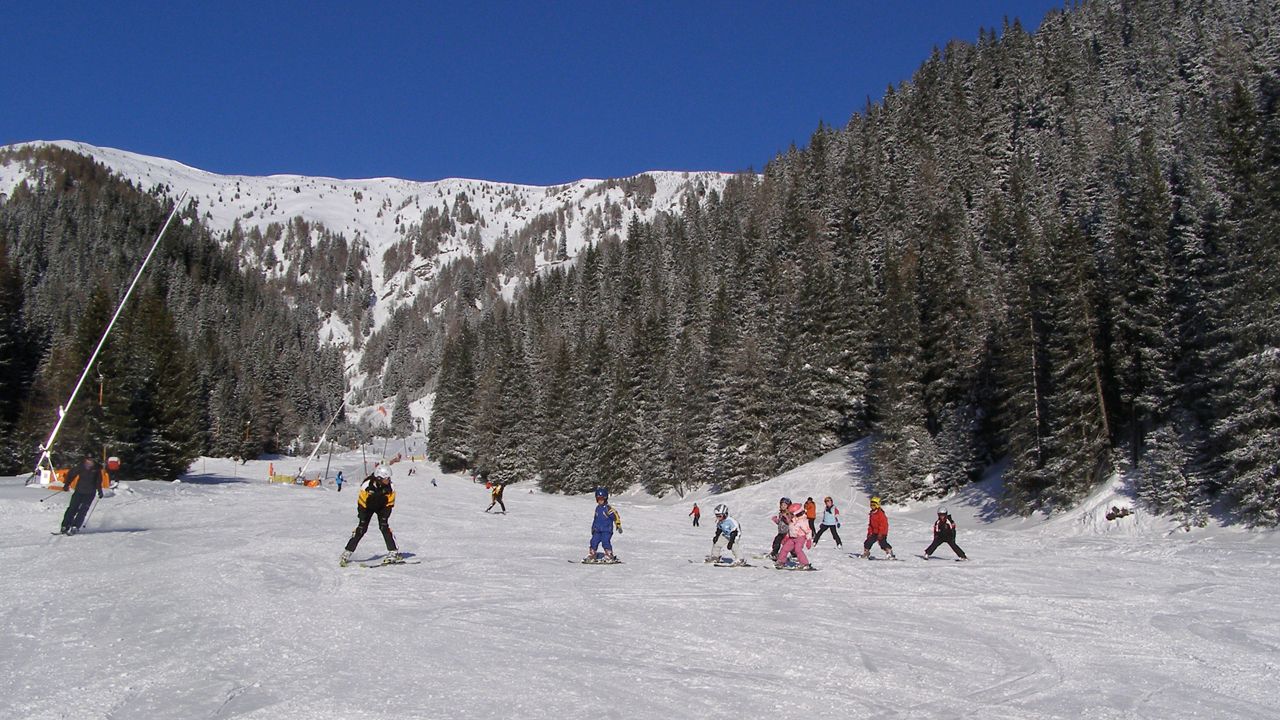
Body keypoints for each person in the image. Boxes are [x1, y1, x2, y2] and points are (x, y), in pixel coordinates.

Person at [339, 465, 401, 567]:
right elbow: (362, 502)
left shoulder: (390, 487)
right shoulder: (367, 485)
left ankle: (393, 551)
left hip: (382, 508)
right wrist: (362, 516)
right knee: (361, 529)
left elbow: (390, 503)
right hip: (367, 508)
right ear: (379, 478)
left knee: (384, 527)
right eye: (386, 478)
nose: (388, 480)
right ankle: (347, 552)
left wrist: (385, 515)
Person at [60, 453, 104, 535]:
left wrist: (100, 490)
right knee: (72, 508)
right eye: (88, 459)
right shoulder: (81, 466)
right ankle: (65, 525)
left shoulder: (96, 469)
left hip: (90, 492)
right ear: (85, 459)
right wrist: (67, 484)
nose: (89, 461)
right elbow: (71, 474)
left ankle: (75, 526)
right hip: (79, 491)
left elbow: (98, 481)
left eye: (91, 460)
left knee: (83, 510)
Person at [585, 487, 623, 563]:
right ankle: (592, 554)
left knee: (605, 542)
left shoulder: (608, 509)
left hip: (606, 530)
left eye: (602, 499)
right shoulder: (597, 508)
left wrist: (618, 525)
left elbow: (616, 516)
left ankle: (609, 554)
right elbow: (595, 519)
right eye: (598, 499)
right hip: (597, 530)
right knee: (593, 541)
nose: (600, 501)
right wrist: (593, 527)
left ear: (605, 499)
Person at [775, 502, 814, 570]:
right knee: (784, 548)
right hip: (792, 538)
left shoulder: (802, 521)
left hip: (800, 538)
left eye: (791, 513)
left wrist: (809, 540)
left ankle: (805, 564)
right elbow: (790, 529)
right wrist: (786, 537)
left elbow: (808, 531)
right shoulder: (793, 520)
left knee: (797, 549)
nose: (790, 515)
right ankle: (781, 561)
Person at [770, 497, 792, 561]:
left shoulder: (789, 513)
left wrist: (786, 517)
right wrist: (776, 520)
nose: (783, 506)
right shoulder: (781, 513)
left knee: (788, 544)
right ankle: (774, 553)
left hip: (787, 532)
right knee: (776, 541)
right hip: (781, 532)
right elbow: (780, 522)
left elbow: (790, 522)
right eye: (782, 505)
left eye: (785, 505)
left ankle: (794, 555)